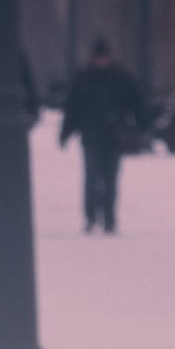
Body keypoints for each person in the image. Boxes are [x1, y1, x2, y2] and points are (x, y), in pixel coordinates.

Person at [58, 38, 147, 235]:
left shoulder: (118, 78)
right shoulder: (87, 78)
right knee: (92, 178)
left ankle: (108, 218)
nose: (102, 61)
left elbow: (136, 103)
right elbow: (73, 109)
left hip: (114, 136)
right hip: (92, 136)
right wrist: (65, 133)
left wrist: (141, 126)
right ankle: (91, 217)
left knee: (109, 179)